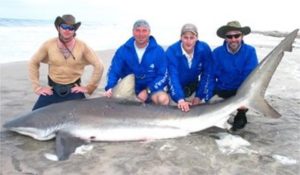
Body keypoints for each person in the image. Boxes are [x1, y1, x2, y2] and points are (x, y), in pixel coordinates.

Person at [29, 14, 104, 110]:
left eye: (71, 28)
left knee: (81, 119)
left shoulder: (82, 46)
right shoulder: (48, 45)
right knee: (34, 116)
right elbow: (33, 62)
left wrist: (89, 88)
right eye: (64, 26)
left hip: (73, 90)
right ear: (59, 28)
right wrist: (37, 87)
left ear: (74, 30)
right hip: (53, 90)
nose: (67, 30)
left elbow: (99, 65)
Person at [104, 19, 169, 105]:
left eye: (144, 31)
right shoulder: (123, 50)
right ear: (133, 32)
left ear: (149, 32)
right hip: (129, 92)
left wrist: (148, 90)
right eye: (137, 31)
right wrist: (110, 87)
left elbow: (163, 75)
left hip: (152, 90)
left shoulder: (158, 51)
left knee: (163, 99)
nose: (141, 34)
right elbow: (114, 71)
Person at [212, 20, 258, 130]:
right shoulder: (217, 52)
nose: (233, 39)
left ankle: (241, 113)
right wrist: (206, 97)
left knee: (238, 128)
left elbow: (251, 77)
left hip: (240, 90)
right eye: (229, 36)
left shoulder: (250, 51)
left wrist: (244, 99)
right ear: (225, 38)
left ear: (242, 36)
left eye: (236, 35)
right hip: (222, 89)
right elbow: (211, 76)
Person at [166, 23, 214, 112]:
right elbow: (172, 77)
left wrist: (199, 97)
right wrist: (180, 99)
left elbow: (208, 74)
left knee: (206, 105)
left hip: (194, 88)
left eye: (192, 37)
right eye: (185, 37)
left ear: (197, 38)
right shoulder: (172, 51)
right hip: (176, 91)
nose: (189, 41)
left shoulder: (204, 49)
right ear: (180, 38)